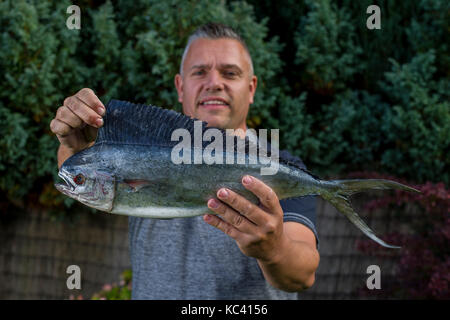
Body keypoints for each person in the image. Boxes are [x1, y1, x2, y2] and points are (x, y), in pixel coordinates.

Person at [50, 23, 320, 299]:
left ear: (251, 88)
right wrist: (72, 143)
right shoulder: (135, 150)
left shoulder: (281, 167)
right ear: (180, 86)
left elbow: (302, 274)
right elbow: (76, 167)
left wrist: (274, 251)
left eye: (230, 73)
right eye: (200, 72)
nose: (214, 82)